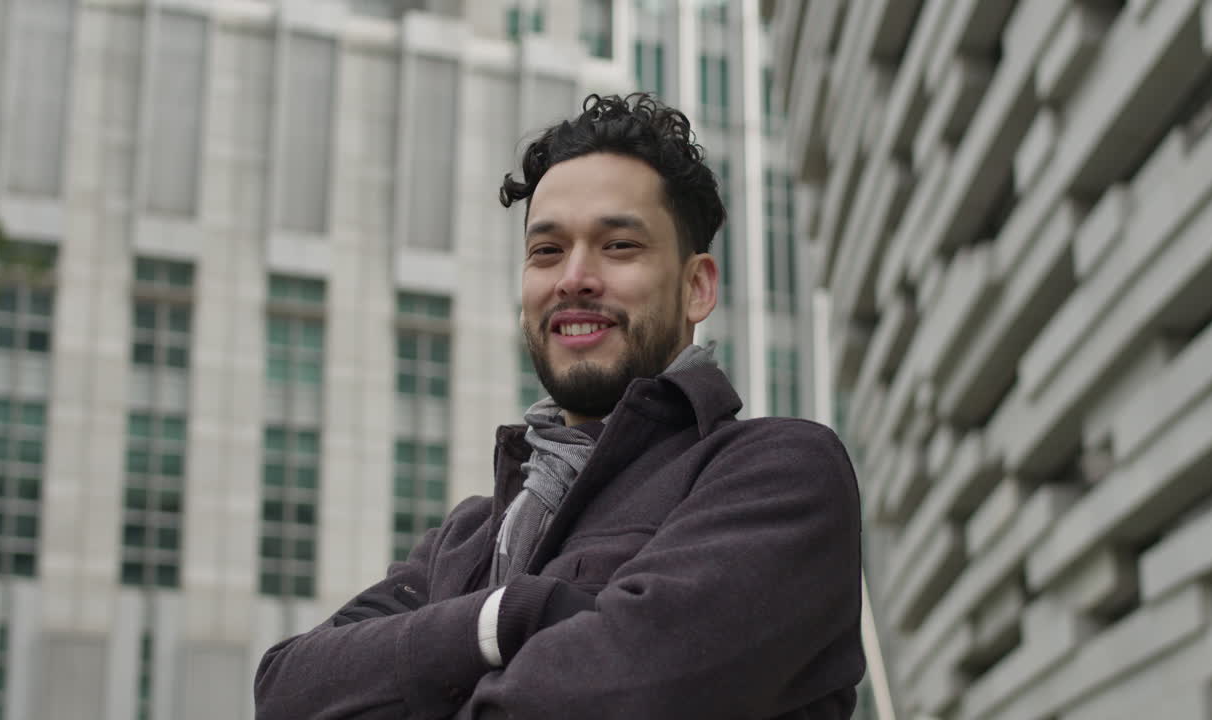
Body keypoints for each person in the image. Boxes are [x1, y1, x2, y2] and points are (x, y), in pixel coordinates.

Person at [254, 93, 864, 719]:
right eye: (547, 251)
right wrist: (507, 616)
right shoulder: (467, 538)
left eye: (619, 246)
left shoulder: (777, 473)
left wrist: (432, 661)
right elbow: (285, 691)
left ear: (696, 286)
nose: (574, 277)